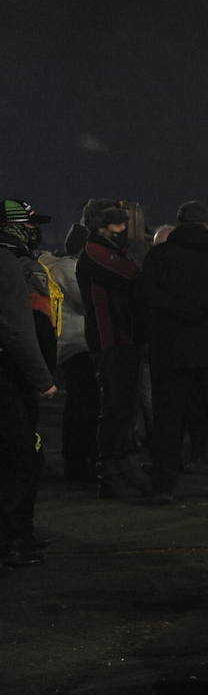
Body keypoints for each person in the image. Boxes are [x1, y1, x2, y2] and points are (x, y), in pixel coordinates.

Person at [136, 200, 208, 503]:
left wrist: (175, 311)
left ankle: (164, 485)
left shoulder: (159, 256)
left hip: (170, 352)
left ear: (178, 225)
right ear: (207, 225)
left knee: (168, 420)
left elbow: (143, 295)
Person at [76, 200, 153, 498]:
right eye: (118, 224)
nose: (124, 229)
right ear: (100, 226)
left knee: (124, 410)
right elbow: (132, 275)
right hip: (111, 342)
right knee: (116, 410)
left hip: (123, 340)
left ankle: (124, 468)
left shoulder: (107, 251)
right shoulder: (96, 253)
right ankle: (111, 475)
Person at [0, 199, 58, 570]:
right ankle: (15, 539)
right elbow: (17, 329)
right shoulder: (8, 264)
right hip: (8, 374)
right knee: (19, 455)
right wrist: (43, 379)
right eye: (29, 222)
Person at [46, 216, 98, 481]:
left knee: (79, 405)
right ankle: (78, 462)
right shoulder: (70, 269)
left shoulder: (55, 266)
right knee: (83, 405)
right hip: (76, 345)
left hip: (66, 344)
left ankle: (76, 460)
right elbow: (89, 300)